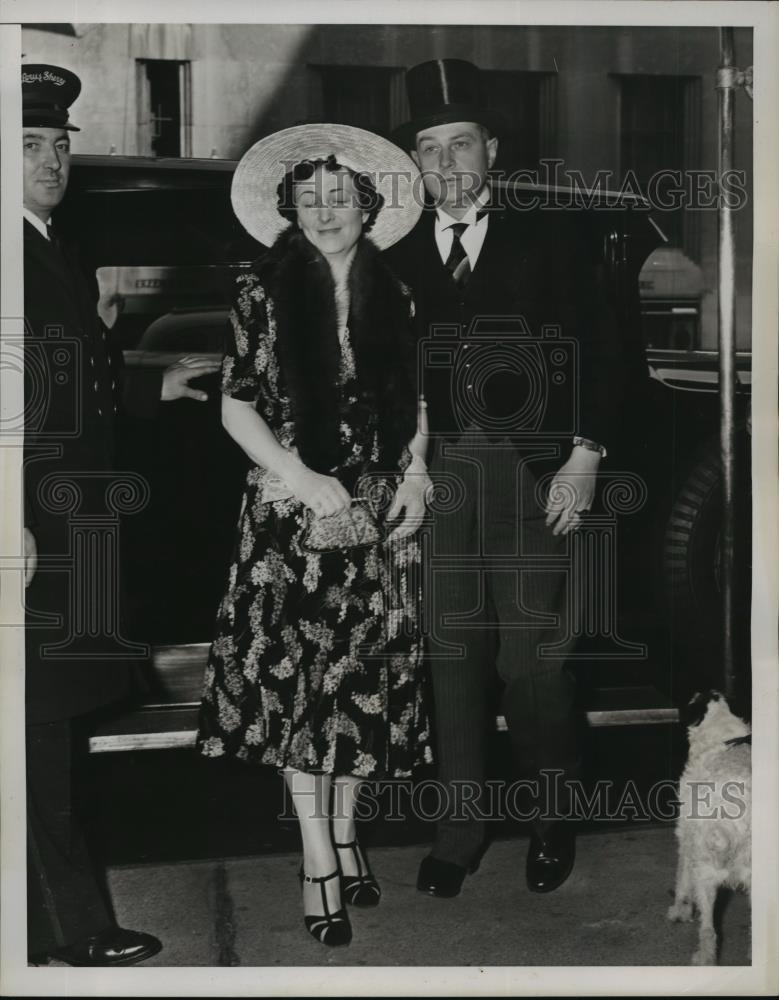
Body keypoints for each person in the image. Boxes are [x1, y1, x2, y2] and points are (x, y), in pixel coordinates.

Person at [386, 59, 625, 898]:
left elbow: (607, 348)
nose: (446, 160)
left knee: (534, 664)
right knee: (449, 657)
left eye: (461, 141)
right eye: (427, 146)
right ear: (413, 160)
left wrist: (586, 455)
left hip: (536, 474)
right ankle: (459, 829)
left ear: (491, 147)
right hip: (439, 475)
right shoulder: (398, 248)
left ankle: (552, 815)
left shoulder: (554, 231)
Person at [196, 124, 432, 947]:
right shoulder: (261, 291)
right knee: (302, 694)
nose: (327, 211)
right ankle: (316, 858)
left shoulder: (391, 291)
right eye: (310, 200)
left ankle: (347, 829)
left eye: (340, 198)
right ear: (289, 210)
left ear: (366, 206)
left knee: (359, 691)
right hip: (290, 513)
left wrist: (414, 473)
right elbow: (234, 404)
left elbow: (415, 399)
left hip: (373, 515)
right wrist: (301, 479)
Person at [22, 64, 219, 966]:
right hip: (24, 530)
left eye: (59, 144)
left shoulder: (43, 241)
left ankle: (43, 923)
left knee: (45, 727)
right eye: (26, 145)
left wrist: (149, 381)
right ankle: (71, 930)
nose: (50, 159)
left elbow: (60, 375)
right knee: (33, 731)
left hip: (58, 524)